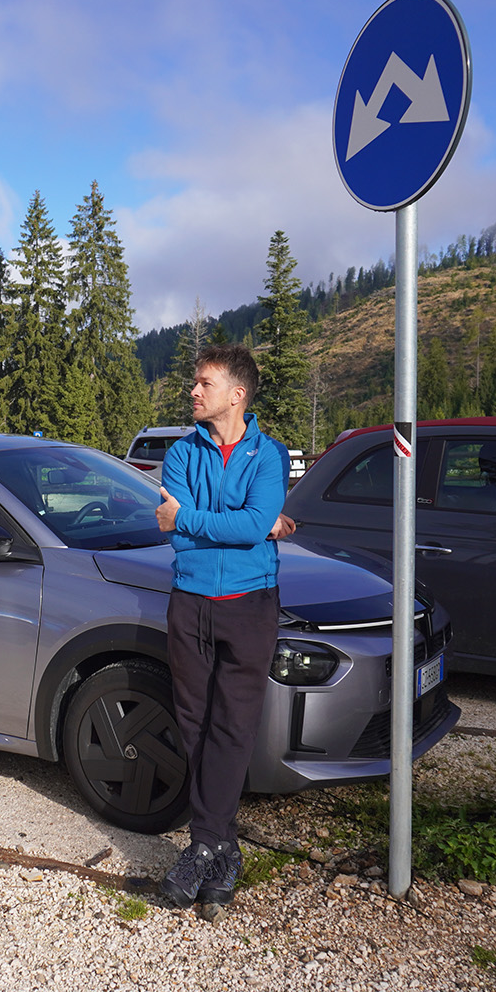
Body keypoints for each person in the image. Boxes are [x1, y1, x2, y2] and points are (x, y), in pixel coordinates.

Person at [154, 344, 295, 907]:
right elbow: (181, 534)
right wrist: (237, 527)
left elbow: (253, 523)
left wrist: (192, 518)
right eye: (194, 382)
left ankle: (203, 844)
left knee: (233, 725)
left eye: (204, 383)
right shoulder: (182, 454)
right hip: (189, 601)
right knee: (194, 723)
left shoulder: (268, 455)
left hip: (250, 604)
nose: (193, 391)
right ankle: (223, 847)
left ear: (237, 394)